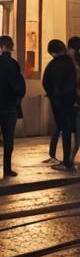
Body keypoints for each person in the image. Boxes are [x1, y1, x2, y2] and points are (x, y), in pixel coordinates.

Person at [42, 39, 79, 170]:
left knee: (63, 129)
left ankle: (66, 162)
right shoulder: (70, 63)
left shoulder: (53, 64)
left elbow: (45, 81)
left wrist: (53, 95)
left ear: (52, 52)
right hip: (70, 101)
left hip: (58, 102)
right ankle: (68, 160)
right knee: (68, 130)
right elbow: (73, 83)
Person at [0, 35, 25, 178]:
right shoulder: (14, 65)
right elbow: (21, 88)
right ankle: (7, 169)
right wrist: (17, 101)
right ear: (11, 47)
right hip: (10, 107)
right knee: (9, 140)